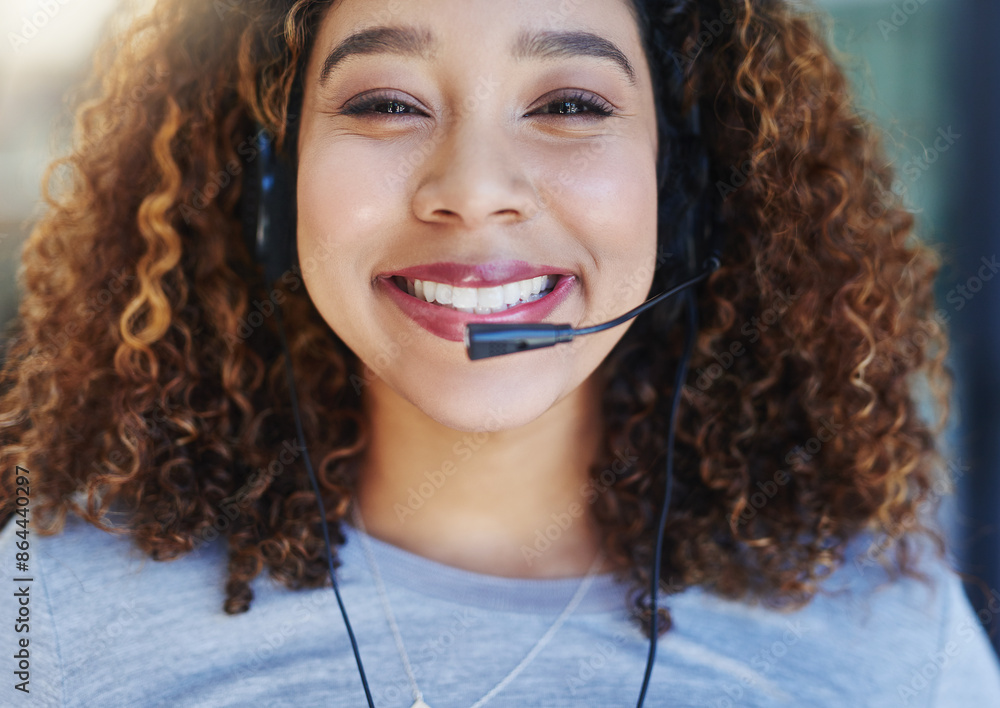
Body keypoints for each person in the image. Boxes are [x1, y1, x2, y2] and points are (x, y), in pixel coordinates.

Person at [2, 0, 999, 705]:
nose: (473, 189)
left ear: (686, 189)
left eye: (570, 104)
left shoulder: (886, 638)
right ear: (264, 181)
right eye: (385, 102)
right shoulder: (45, 618)